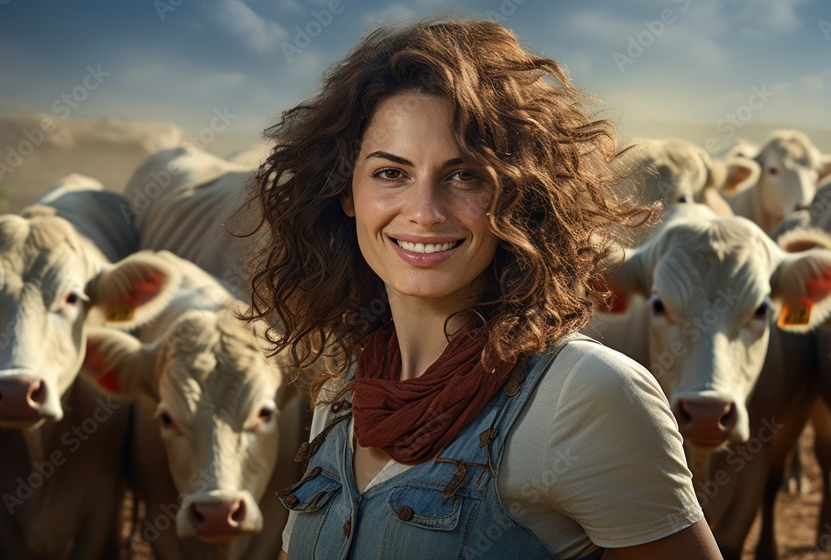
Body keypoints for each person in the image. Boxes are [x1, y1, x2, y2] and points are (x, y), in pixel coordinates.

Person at [247, 18, 721, 560]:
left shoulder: (587, 395)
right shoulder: (342, 399)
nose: (424, 212)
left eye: (464, 175)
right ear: (346, 192)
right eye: (390, 174)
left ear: (518, 196)